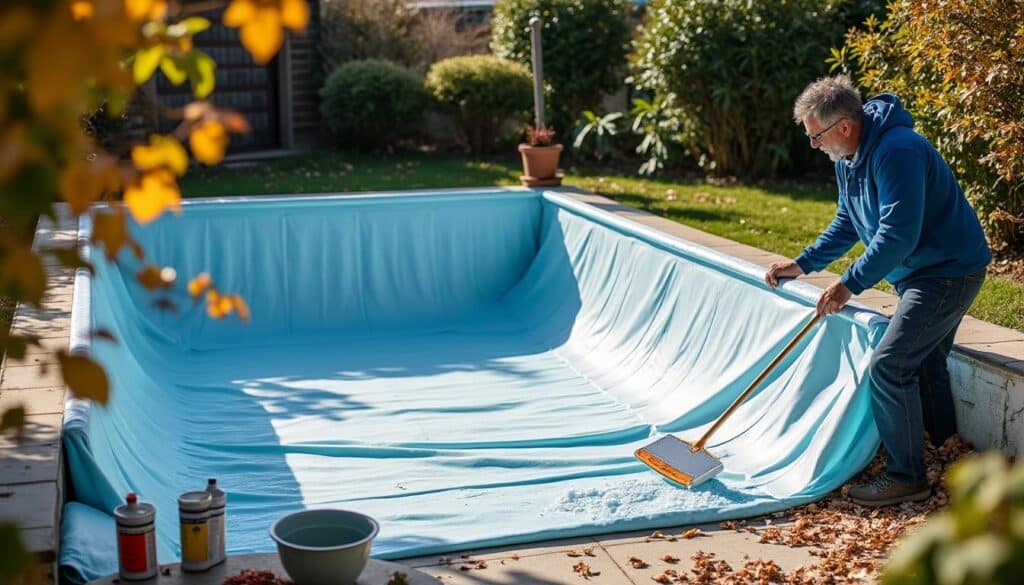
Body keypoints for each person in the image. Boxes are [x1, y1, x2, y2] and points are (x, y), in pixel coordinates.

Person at [764, 75, 991, 507]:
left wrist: (849, 284)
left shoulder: (897, 150)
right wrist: (803, 263)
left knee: (890, 364)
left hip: (948, 272)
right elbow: (847, 222)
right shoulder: (847, 156)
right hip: (924, 272)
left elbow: (898, 234)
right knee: (925, 361)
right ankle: (942, 450)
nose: (813, 145)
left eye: (816, 136)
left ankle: (907, 476)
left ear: (844, 126)